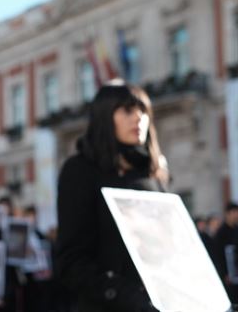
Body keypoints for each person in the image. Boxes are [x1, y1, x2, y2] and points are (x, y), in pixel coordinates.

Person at [55, 81, 169, 312]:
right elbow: (71, 262)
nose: (139, 118)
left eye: (143, 111)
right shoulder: (80, 170)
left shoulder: (153, 175)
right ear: (105, 116)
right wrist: (125, 295)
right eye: (128, 110)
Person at [212, 202, 238, 302]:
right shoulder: (221, 233)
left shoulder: (236, 230)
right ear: (228, 214)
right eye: (234, 212)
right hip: (227, 278)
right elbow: (217, 256)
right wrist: (224, 274)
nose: (236, 215)